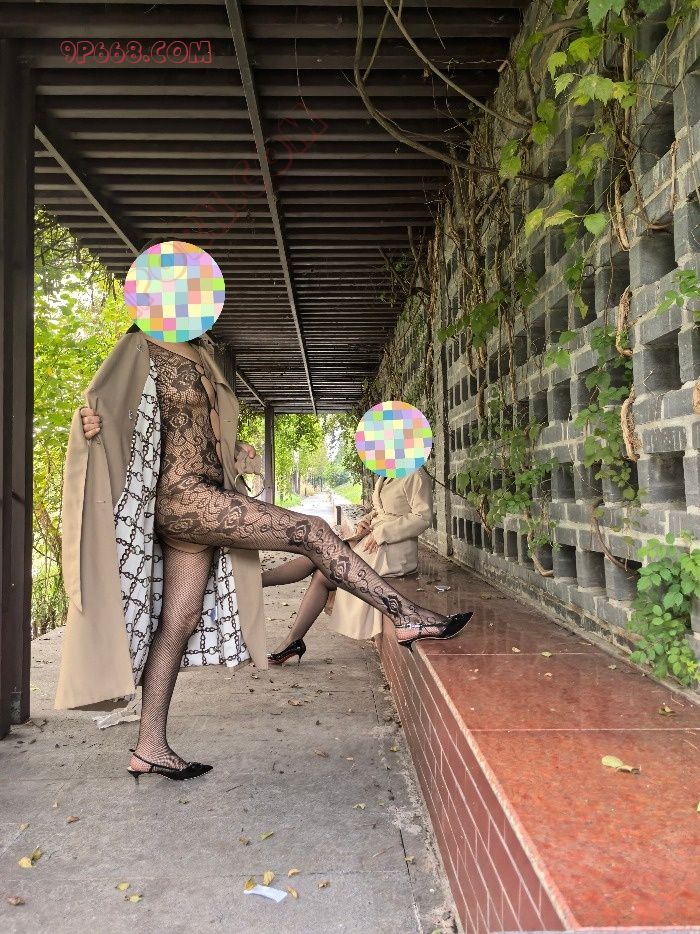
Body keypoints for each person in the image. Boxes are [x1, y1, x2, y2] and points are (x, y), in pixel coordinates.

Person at [58, 326, 471, 781]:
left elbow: (192, 430)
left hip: (206, 497)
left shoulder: (202, 352)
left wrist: (233, 448)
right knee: (311, 530)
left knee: (181, 618)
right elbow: (103, 408)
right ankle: (406, 614)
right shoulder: (140, 346)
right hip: (184, 499)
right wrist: (87, 425)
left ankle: (149, 747)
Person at [263, 468, 435, 664]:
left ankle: (256, 586)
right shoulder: (387, 473)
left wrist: (382, 533)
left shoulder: (415, 475)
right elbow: (380, 509)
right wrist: (365, 521)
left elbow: (423, 518)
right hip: (371, 542)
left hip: (393, 550)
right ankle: (260, 587)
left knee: (322, 575)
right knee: (317, 555)